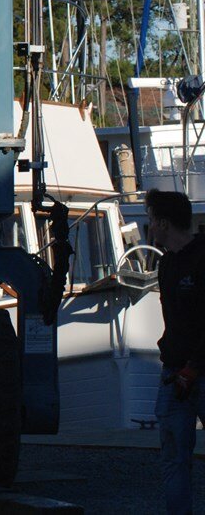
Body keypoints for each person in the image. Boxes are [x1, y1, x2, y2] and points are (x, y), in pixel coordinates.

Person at [147, 188, 205, 515]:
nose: (150, 228)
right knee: (173, 458)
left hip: (196, 372)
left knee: (175, 457)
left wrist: (194, 366)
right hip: (174, 375)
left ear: (165, 223)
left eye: (153, 221)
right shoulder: (166, 266)